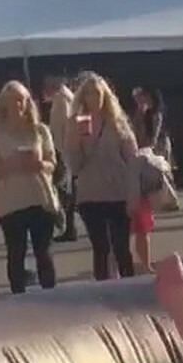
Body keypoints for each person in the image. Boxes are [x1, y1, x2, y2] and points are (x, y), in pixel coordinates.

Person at [0, 81, 59, 295]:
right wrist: (11, 164)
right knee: (16, 253)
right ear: (4, 105)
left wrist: (39, 164)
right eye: (12, 101)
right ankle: (18, 298)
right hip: (11, 203)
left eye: (21, 100)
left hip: (40, 198)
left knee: (44, 252)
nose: (18, 105)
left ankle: (51, 296)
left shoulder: (40, 130)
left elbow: (52, 163)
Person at [67, 73, 140, 281]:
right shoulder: (77, 123)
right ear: (82, 98)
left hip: (117, 192)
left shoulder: (117, 122)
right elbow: (74, 165)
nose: (93, 98)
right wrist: (77, 141)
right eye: (88, 93)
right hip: (90, 195)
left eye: (97, 93)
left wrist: (134, 194)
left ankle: (129, 287)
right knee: (101, 248)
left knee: (121, 247)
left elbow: (132, 160)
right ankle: (102, 291)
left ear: (105, 96)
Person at [42, 75, 77, 242]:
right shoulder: (64, 97)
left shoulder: (62, 99)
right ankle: (68, 225)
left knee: (58, 189)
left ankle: (62, 220)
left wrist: (62, 152)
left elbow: (63, 128)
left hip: (62, 152)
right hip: (63, 151)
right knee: (64, 190)